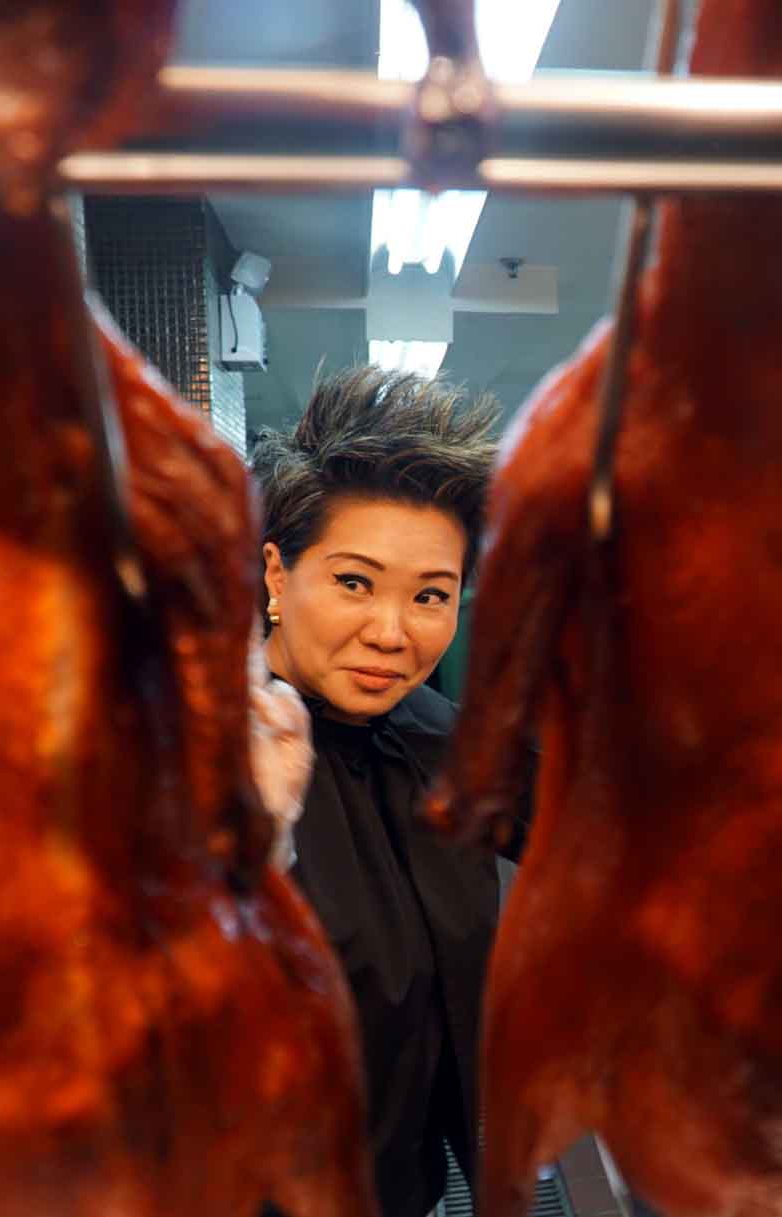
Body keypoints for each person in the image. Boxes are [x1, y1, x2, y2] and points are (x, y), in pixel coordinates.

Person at [251, 364, 513, 1217]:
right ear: (278, 575)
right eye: (354, 582)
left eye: (430, 595)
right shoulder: (205, 748)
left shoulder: (435, 730)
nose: (392, 633)